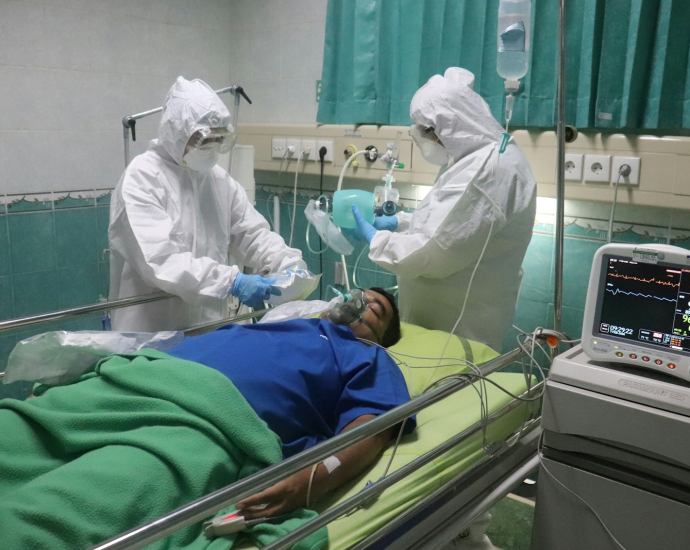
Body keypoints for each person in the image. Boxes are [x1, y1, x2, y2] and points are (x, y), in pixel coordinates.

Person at [0, 288, 413, 547]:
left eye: (377, 310)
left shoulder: (369, 356)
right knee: (12, 435)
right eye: (361, 296)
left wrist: (307, 481)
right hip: (134, 379)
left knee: (61, 510)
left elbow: (372, 429)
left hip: (206, 422)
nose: (364, 304)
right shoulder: (286, 322)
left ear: (381, 336)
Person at [349, 67, 537, 353]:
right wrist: (399, 224)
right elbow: (448, 225)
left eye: (426, 130)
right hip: (437, 330)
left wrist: (376, 239)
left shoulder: (488, 171)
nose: (422, 137)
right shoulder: (472, 158)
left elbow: (433, 252)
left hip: (460, 335)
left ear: (450, 126)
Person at [109, 77, 304, 332]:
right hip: (153, 338)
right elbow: (162, 262)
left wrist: (287, 264)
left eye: (219, 138)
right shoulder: (142, 179)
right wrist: (232, 282)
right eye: (204, 139)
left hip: (211, 330)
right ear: (177, 132)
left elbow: (253, 235)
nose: (213, 147)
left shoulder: (218, 181)